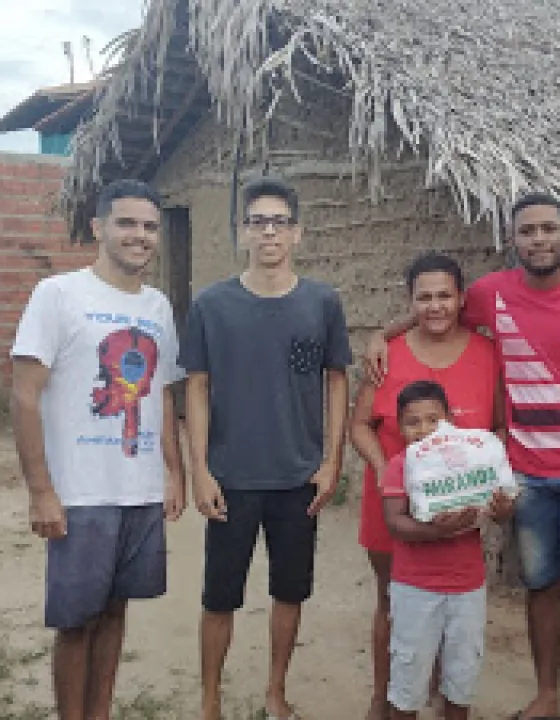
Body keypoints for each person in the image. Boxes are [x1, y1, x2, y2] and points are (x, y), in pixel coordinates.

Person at [366, 193, 560, 720]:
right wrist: (379, 337)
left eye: (548, 228)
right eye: (527, 231)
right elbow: (434, 310)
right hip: (524, 473)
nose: (538, 239)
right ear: (512, 240)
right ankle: (546, 696)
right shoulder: (490, 293)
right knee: (540, 585)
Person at [10, 178, 186, 720]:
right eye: (127, 223)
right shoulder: (59, 295)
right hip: (80, 492)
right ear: (99, 227)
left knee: (115, 612)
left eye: (150, 227)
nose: (140, 236)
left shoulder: (157, 306)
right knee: (75, 622)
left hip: (139, 489)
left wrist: (173, 473)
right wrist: (41, 490)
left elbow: (160, 392)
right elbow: (23, 394)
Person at [181, 178, 353, 720]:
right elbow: (197, 388)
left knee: (290, 592)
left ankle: (275, 692)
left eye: (280, 221)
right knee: (219, 597)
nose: (269, 231)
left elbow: (336, 381)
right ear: (243, 233)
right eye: (258, 222)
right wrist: (200, 471)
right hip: (231, 477)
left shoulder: (321, 302)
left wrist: (331, 462)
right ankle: (211, 700)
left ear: (297, 233)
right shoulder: (212, 304)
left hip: (297, 478)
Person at [349, 252, 503, 720]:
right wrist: (384, 470)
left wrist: (488, 485)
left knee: (450, 611)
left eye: (444, 296)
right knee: (393, 603)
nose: (435, 306)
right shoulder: (388, 354)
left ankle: (438, 693)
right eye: (424, 297)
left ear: (461, 298)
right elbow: (360, 425)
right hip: (392, 503)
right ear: (410, 300)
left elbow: (495, 427)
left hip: (456, 511)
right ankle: (387, 696)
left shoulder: (486, 354)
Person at [380, 380, 518, 720]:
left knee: (462, 672)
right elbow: (395, 523)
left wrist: (502, 510)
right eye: (413, 422)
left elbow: (501, 512)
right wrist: (434, 530)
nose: (424, 430)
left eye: (432, 419)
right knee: (409, 674)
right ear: (399, 427)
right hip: (415, 587)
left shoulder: (468, 462)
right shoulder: (400, 465)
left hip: (467, 586)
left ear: (448, 421)